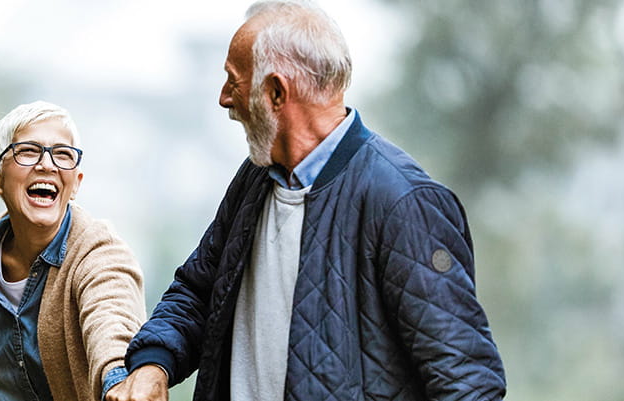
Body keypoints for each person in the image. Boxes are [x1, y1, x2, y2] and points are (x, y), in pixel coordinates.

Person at [106, 1, 505, 400]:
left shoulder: (404, 203)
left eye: (233, 80)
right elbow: (199, 292)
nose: (224, 98)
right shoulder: (255, 179)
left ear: (276, 92)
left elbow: (467, 383)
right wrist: (152, 364)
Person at [0, 101, 146, 401]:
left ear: (75, 184)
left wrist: (118, 378)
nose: (47, 165)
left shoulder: (100, 253)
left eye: (62, 155)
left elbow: (112, 321)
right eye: (29, 151)